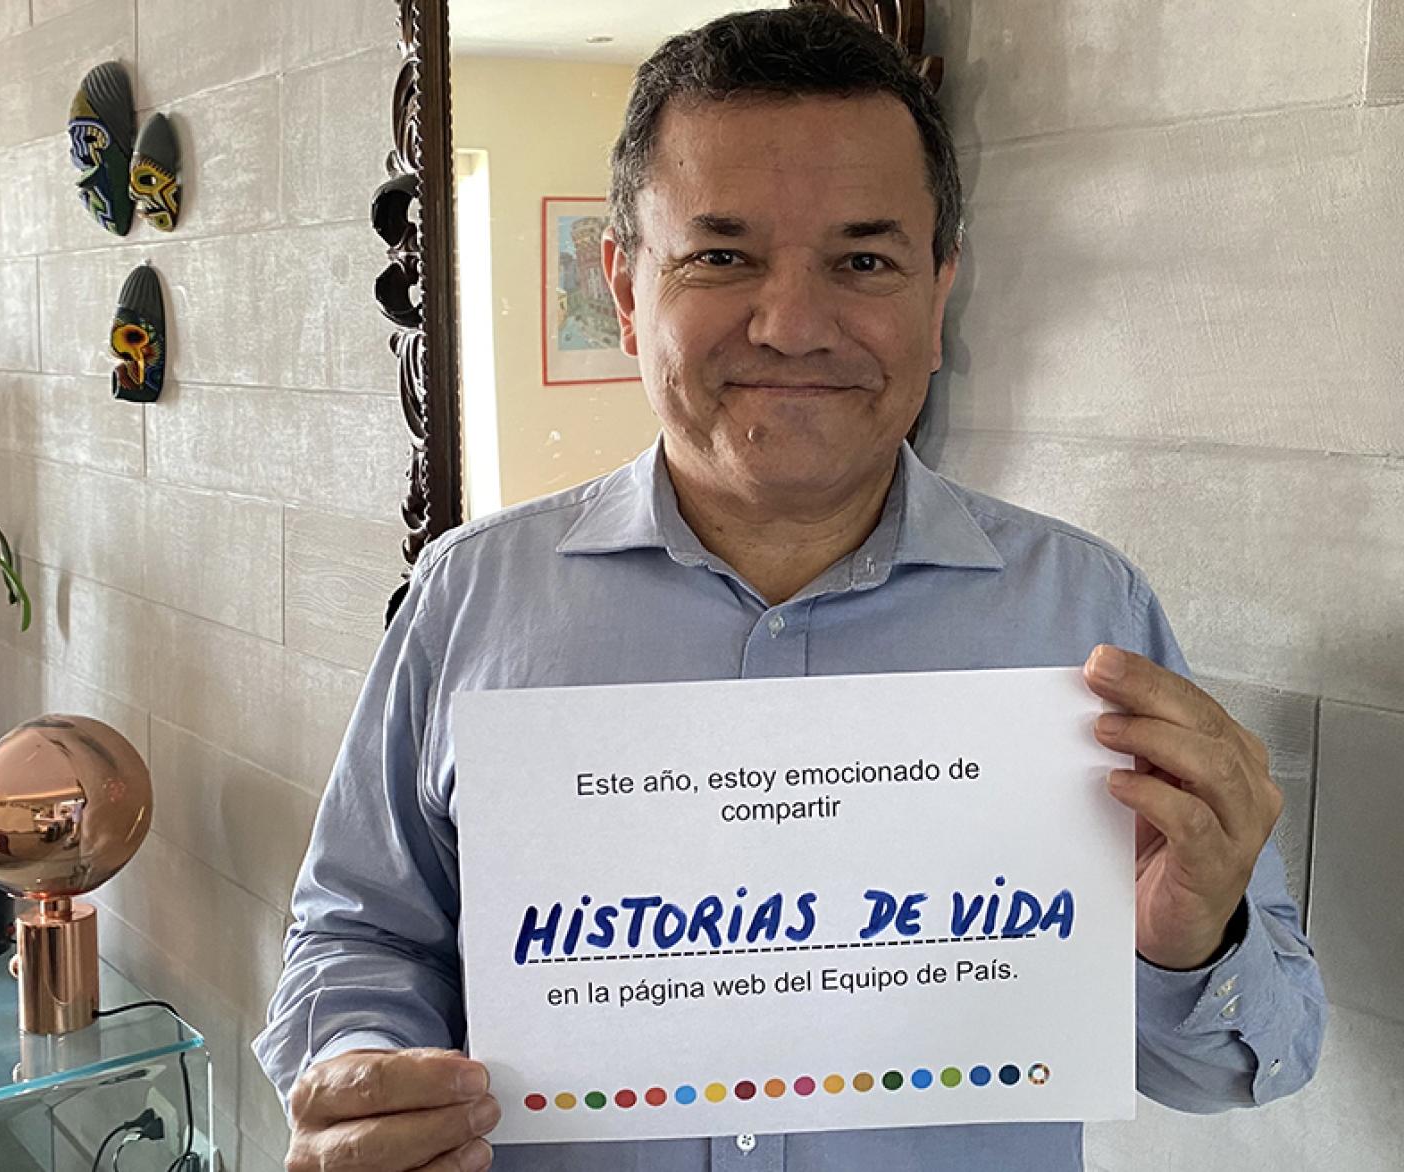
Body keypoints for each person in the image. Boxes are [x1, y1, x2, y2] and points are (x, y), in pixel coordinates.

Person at [254, 8, 1326, 1171]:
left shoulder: (1085, 617)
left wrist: (1186, 944)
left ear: (937, 292)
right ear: (624, 286)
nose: (794, 324)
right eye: (721, 255)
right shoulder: (470, 597)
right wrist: (366, 1065)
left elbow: (1241, 1062)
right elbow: (360, 931)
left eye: (863, 260)